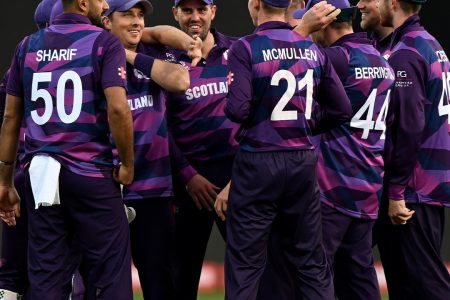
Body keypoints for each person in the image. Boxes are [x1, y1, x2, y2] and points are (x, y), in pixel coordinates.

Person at [0, 0, 135, 298]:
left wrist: (4, 181)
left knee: (47, 276)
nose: (105, 6)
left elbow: (11, 117)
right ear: (84, 3)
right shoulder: (103, 41)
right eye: (101, 1)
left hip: (42, 176)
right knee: (111, 273)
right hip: (92, 172)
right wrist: (127, 164)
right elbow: (118, 109)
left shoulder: (27, 45)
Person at [223, 0, 352, 299]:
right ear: (290, 6)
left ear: (254, 4)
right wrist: (306, 126)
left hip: (258, 159)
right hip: (302, 160)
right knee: (311, 263)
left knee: (245, 264)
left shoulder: (246, 47)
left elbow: (237, 110)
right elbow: (341, 109)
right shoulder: (312, 49)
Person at [102, 0, 199, 298]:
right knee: (104, 284)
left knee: (160, 285)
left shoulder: (152, 51)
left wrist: (128, 55)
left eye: (140, 15)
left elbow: (181, 80)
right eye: (127, 15)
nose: (136, 22)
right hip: (106, 187)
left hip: (153, 190)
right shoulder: (92, 53)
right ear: (106, 21)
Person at [303, 0, 395, 299]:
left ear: (323, 22)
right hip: (368, 184)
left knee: (314, 273)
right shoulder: (381, 60)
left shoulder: (334, 58)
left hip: (332, 185)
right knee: (359, 276)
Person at [376, 0, 450, 299]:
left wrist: (396, 191)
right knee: (407, 284)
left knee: (426, 283)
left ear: (392, 2)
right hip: (428, 180)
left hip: (413, 186)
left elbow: (408, 127)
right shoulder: (430, 43)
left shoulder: (406, 52)